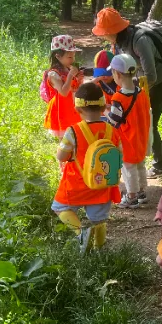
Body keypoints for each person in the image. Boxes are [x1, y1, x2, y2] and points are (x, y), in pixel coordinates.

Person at [91, 7, 162, 178]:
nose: (102, 36)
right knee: (135, 123)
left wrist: (131, 89)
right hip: (137, 86)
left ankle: (159, 164)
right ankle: (138, 159)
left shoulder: (140, 41)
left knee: (149, 122)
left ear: (112, 31)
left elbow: (151, 75)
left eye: (103, 32)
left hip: (157, 84)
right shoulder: (118, 43)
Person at [52, 82, 122, 253]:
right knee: (99, 219)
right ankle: (99, 250)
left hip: (77, 184)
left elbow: (61, 156)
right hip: (103, 184)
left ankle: (81, 232)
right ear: (103, 105)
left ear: (78, 108)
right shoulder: (111, 130)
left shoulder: (73, 131)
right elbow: (119, 155)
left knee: (59, 207)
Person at [106, 53, 152, 208]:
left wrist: (106, 114)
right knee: (140, 165)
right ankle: (142, 193)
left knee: (128, 168)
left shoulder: (119, 98)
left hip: (127, 139)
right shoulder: (141, 92)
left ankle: (131, 196)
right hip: (141, 136)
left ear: (117, 74)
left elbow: (114, 120)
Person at [43, 35, 83, 138]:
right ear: (58, 56)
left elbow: (75, 88)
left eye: (73, 56)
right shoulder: (53, 74)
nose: (72, 60)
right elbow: (64, 92)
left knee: (77, 136)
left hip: (73, 107)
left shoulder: (68, 69)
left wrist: (79, 80)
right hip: (61, 110)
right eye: (69, 57)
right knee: (65, 140)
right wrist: (70, 76)